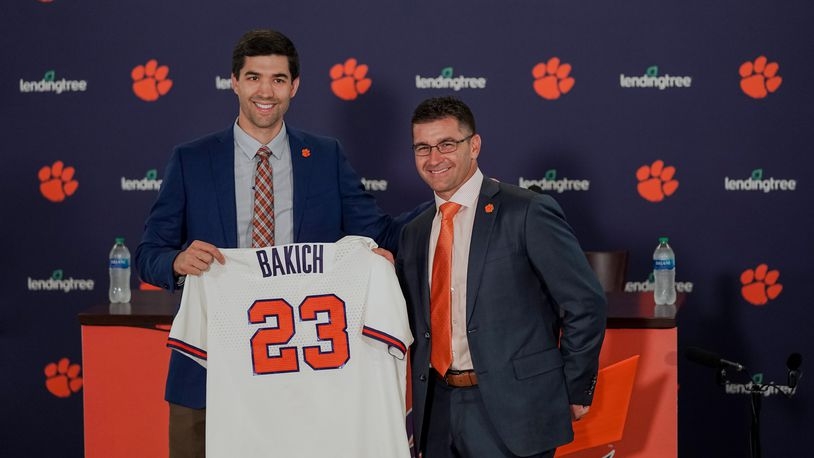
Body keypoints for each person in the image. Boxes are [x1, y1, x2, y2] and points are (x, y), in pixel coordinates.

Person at [136, 29, 422, 458]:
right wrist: (176, 261)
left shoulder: (325, 156)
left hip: (306, 377)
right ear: (233, 82)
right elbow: (147, 255)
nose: (265, 91)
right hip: (212, 375)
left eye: (278, 79)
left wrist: (445, 204)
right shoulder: (192, 160)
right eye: (253, 78)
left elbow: (378, 232)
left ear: (295, 85)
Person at [395, 96, 607, 458]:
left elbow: (585, 304)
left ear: (474, 145)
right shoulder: (414, 233)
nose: (434, 158)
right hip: (438, 412)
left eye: (447, 144)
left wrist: (570, 389)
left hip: (516, 412)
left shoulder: (527, 211)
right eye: (422, 148)